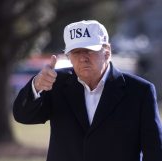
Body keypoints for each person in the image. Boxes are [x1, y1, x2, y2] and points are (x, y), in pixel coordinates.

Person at [13, 20, 162, 161]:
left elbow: (155, 151)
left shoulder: (140, 92)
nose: (83, 58)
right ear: (68, 56)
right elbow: (23, 116)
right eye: (76, 52)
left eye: (89, 50)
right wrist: (36, 86)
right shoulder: (55, 83)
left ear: (107, 52)